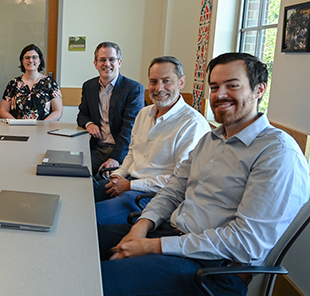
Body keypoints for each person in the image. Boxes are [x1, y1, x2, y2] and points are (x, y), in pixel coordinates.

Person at [98, 52, 310, 296]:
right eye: (214, 86)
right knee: (81, 241)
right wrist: (142, 226)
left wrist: (154, 246)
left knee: (93, 282)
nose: (220, 95)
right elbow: (174, 189)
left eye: (232, 86)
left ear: (259, 89)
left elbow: (245, 243)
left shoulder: (277, 153)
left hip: (211, 268)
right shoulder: (211, 139)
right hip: (171, 234)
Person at [94, 56, 210, 224]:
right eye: (153, 81)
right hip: (128, 182)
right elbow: (132, 153)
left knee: (90, 218)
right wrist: (117, 176)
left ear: (181, 82)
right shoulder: (144, 113)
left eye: (166, 81)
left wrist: (129, 186)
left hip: (156, 196)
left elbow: (179, 180)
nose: (159, 88)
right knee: (79, 200)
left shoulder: (193, 124)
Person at [77, 41, 144, 173]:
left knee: (102, 183)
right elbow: (82, 114)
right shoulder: (89, 86)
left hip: (124, 153)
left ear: (119, 63)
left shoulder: (134, 88)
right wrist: (89, 124)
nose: (107, 64)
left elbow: (130, 128)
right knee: (77, 174)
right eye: (102, 60)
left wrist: (115, 158)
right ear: (95, 64)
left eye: (111, 59)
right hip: (97, 149)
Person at [0, 44, 63, 120]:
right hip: (18, 130)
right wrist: (16, 124)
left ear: (40, 60)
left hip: (43, 129)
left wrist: (43, 125)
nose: (30, 60)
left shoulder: (50, 82)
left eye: (34, 57)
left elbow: (58, 111)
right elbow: (3, 110)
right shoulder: (13, 83)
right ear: (22, 61)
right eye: (27, 58)